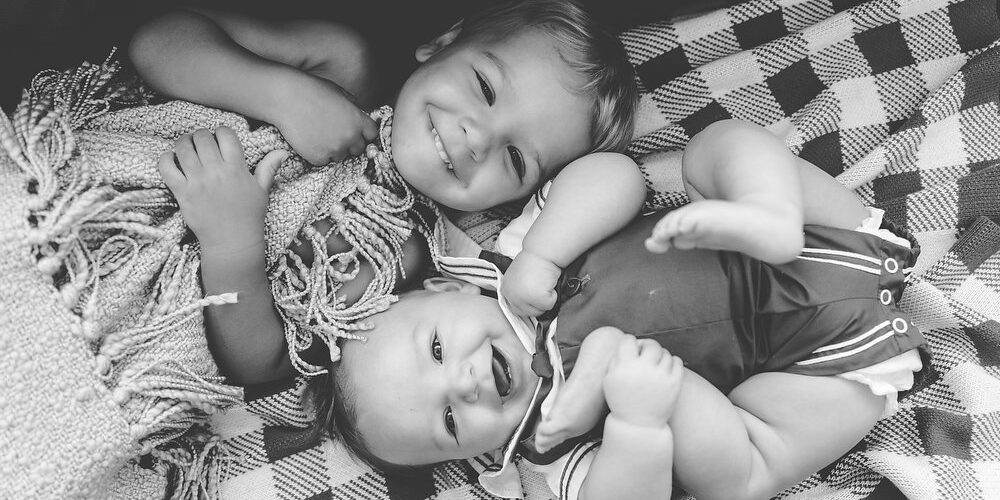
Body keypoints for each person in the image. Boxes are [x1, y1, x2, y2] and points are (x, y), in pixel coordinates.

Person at [315, 118, 926, 500]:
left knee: (712, 150)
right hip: (822, 367)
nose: (465, 383)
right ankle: (632, 380)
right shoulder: (550, 444)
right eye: (450, 421)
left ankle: (766, 209)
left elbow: (618, 176)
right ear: (474, 456)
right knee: (742, 478)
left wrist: (545, 255)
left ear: (448, 292)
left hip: (815, 230)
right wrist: (636, 426)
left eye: (437, 350)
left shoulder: (516, 257)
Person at [129, 0, 644, 367]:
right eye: (484, 87)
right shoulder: (338, 62)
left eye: (514, 158)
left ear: (516, 200)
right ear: (440, 44)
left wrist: (232, 246)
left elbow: (259, 361)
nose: (478, 139)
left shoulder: (397, 252)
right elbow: (155, 39)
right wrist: (282, 95)